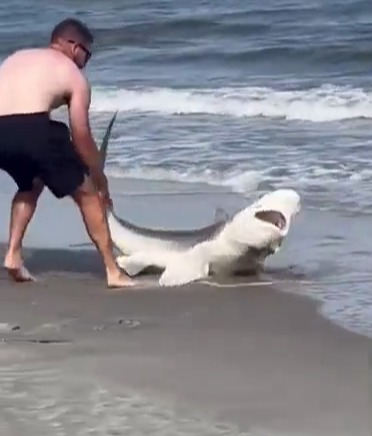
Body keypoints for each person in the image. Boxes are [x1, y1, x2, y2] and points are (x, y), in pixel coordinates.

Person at [0, 18, 134, 288]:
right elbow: (81, 135)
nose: (86, 61)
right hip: (32, 128)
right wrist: (99, 179)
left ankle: (13, 254)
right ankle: (113, 270)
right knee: (88, 196)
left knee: (30, 183)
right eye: (87, 53)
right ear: (74, 47)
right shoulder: (73, 75)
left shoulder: (18, 58)